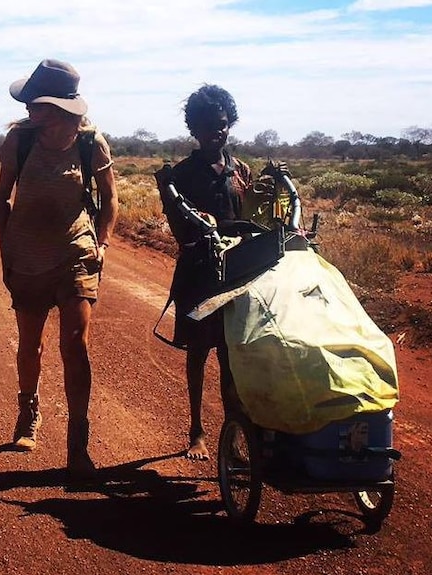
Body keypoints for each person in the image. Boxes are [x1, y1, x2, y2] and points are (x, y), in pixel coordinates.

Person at [0, 59, 119, 480]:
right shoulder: (19, 141)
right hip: (27, 255)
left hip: (76, 253)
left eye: (38, 103)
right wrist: (5, 247)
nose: (30, 109)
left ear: (62, 107)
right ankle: (28, 412)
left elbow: (110, 198)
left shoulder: (90, 142)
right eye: (29, 102)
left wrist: (101, 243)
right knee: (31, 345)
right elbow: (1, 198)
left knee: (76, 344)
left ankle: (77, 443)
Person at [155, 84, 253, 461]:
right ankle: (196, 429)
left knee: (233, 357)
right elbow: (181, 230)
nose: (218, 132)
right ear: (194, 129)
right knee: (198, 352)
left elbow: (253, 220)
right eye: (210, 126)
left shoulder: (240, 171)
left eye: (224, 125)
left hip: (238, 273)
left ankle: (232, 435)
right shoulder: (180, 175)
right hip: (198, 272)